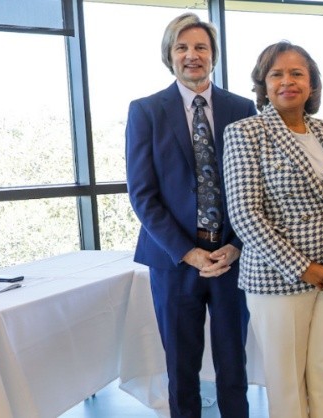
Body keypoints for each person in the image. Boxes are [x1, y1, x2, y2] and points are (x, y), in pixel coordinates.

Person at [125, 13, 255, 418]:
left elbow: (255, 186)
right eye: (181, 47)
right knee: (181, 369)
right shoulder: (146, 111)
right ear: (170, 55)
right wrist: (188, 252)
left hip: (232, 259)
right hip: (174, 260)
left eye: (200, 47)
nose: (191, 55)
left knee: (234, 364)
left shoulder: (242, 108)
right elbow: (143, 194)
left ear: (213, 55)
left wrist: (236, 245)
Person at [224, 41, 323, 418]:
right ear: (263, 84)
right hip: (277, 278)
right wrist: (303, 268)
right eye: (277, 74)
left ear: (312, 84)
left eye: (297, 73)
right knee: (287, 383)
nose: (288, 81)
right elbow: (245, 216)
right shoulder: (245, 132)